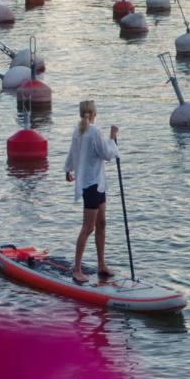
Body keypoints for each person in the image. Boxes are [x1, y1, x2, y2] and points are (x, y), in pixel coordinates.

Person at [64, 100, 119, 283]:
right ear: (94, 113)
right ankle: (77, 269)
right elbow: (106, 153)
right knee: (88, 227)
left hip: (98, 183)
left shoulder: (81, 131)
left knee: (102, 223)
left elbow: (73, 155)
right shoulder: (92, 131)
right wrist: (112, 138)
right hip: (91, 184)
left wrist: (68, 170)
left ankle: (101, 264)